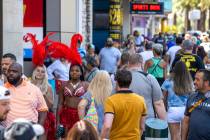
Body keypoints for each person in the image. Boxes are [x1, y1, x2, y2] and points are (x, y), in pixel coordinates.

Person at [101, 70, 147, 140]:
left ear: (116, 82)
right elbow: (142, 127)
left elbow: (107, 126)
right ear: (130, 82)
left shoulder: (111, 100)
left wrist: (101, 138)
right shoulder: (141, 100)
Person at [4, 63, 48, 127]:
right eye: (9, 71)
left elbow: (43, 110)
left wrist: (38, 128)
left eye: (14, 71)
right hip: (7, 132)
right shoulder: (2, 89)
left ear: (21, 74)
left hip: (29, 132)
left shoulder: (34, 89)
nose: (11, 73)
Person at [161, 61, 194, 140]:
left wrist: (165, 109)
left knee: (174, 136)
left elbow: (163, 97)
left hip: (172, 110)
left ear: (174, 69)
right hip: (185, 111)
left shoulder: (168, 81)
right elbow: (192, 97)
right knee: (184, 136)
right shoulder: (190, 81)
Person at [128, 54, 166, 120]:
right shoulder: (150, 78)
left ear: (128, 63)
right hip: (147, 119)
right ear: (142, 64)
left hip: (125, 119)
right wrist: (163, 124)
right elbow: (158, 103)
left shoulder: (119, 78)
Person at [57, 64, 88, 136]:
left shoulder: (86, 85)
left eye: (77, 71)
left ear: (81, 73)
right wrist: (58, 122)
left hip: (80, 115)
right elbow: (60, 104)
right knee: (64, 136)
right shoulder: (64, 85)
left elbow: (90, 104)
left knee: (79, 136)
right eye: (72, 70)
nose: (74, 72)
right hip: (66, 115)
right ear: (69, 72)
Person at [182, 69, 210, 140]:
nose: (194, 82)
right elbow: (186, 120)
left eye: (197, 80)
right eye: (195, 79)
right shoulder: (192, 96)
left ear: (206, 82)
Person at [31, 65, 55, 140]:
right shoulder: (28, 84)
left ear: (45, 74)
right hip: (30, 115)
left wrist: (43, 96)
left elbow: (51, 106)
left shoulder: (48, 87)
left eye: (42, 71)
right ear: (34, 72)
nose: (40, 73)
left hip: (44, 117)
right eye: (38, 70)